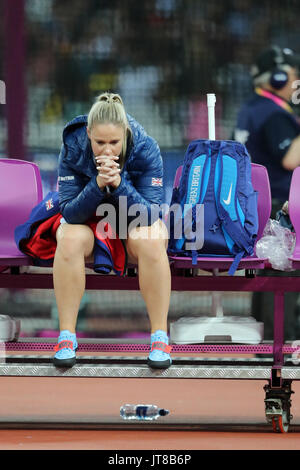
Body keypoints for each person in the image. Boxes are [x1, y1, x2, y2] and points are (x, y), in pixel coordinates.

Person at [53, 92, 172, 369]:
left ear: (126, 134)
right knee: (68, 238)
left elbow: (151, 213)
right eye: (100, 142)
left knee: (152, 238)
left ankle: (159, 336)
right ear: (88, 134)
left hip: (132, 222)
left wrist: (119, 185)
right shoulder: (72, 146)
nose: (107, 150)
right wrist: (96, 185)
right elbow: (69, 211)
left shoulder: (146, 147)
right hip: (89, 222)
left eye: (114, 143)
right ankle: (67, 336)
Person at [234, 45, 300, 340]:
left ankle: (266, 342)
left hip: (256, 206)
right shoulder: (273, 114)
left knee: (267, 272)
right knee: (284, 273)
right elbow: (290, 158)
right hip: (279, 207)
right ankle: (281, 343)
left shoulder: (251, 107)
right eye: (292, 74)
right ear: (276, 77)